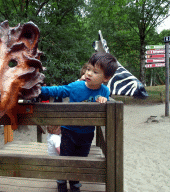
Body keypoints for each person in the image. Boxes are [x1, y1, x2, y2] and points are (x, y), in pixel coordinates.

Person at [39, 52, 118, 192]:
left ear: (106, 78)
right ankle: (61, 181)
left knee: (81, 159)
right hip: (69, 131)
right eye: (88, 69)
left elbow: (106, 102)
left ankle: (75, 182)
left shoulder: (105, 91)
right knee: (65, 157)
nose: (89, 73)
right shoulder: (76, 87)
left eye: (95, 72)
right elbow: (58, 90)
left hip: (87, 134)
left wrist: (104, 101)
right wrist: (38, 90)